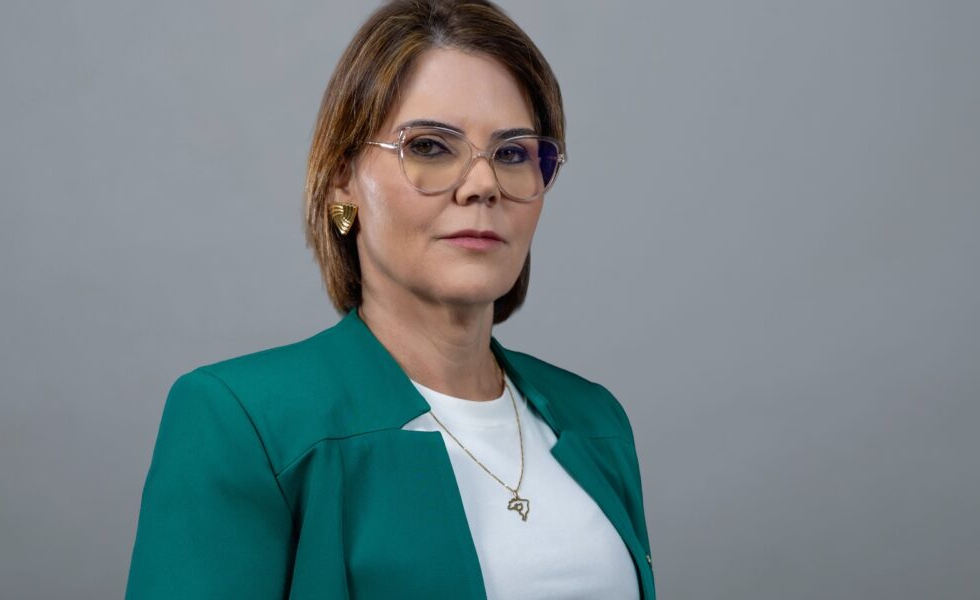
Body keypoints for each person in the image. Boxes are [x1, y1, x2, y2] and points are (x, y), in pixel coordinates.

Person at [125, 1, 656, 598]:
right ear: (342, 183)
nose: (483, 184)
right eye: (430, 146)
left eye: (512, 153)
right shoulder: (241, 422)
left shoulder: (596, 420)